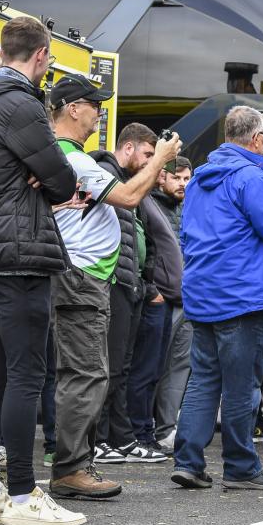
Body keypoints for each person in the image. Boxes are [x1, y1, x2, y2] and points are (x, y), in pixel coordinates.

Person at [0, 16, 85, 525]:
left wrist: (41, 174)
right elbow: (62, 180)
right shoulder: (19, 103)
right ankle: (25, 497)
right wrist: (44, 176)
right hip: (18, 253)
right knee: (26, 375)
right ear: (43, 55)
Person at [48, 75, 180, 500]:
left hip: (88, 276)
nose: (99, 114)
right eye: (94, 106)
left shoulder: (67, 156)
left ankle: (74, 463)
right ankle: (71, 468)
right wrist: (160, 158)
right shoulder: (73, 158)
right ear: (72, 108)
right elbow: (127, 196)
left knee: (88, 373)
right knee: (86, 374)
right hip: (82, 276)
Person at [172, 106, 263, 492]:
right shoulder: (251, 177)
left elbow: (186, 235)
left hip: (203, 293)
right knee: (242, 385)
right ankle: (240, 467)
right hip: (243, 296)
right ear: (256, 139)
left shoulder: (201, 177)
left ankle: (188, 461)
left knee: (203, 380)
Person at [89, 126, 166, 465]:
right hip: (112, 282)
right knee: (108, 366)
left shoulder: (125, 180)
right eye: (148, 155)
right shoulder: (107, 174)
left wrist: (143, 282)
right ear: (129, 148)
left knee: (120, 366)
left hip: (129, 282)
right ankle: (101, 439)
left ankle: (119, 438)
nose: (151, 163)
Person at [124, 128, 184, 457]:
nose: (156, 168)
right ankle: (138, 434)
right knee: (142, 371)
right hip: (152, 297)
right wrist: (151, 288)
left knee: (154, 371)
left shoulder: (154, 202)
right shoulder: (140, 197)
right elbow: (138, 247)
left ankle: (143, 433)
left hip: (163, 297)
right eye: (151, 159)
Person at [152, 156, 194, 452]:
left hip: (187, 297)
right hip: (160, 298)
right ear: (161, 178)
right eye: (176, 177)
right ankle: (141, 427)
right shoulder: (149, 205)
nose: (182, 183)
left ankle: (166, 427)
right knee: (151, 367)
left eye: (186, 178)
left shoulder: (190, 208)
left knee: (180, 366)